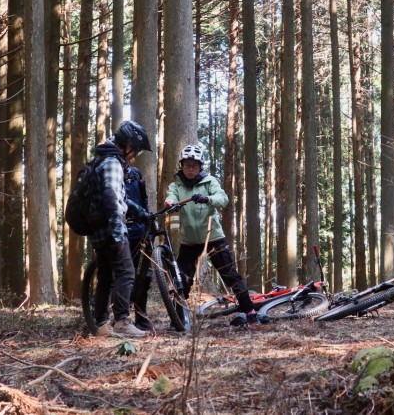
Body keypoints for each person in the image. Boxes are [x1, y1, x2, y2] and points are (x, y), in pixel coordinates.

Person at [164, 144, 268, 326]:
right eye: (187, 166)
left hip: (213, 237)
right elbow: (171, 197)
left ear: (200, 167)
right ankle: (177, 316)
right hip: (189, 241)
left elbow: (222, 199)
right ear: (182, 166)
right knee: (182, 279)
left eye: (194, 166)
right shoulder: (176, 185)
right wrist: (171, 202)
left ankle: (250, 312)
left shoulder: (210, 181)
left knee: (230, 275)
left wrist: (207, 199)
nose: (190, 169)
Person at [90, 120, 153, 337]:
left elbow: (120, 198)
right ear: (128, 144)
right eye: (135, 150)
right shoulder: (112, 163)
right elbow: (111, 198)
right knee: (126, 272)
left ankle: (101, 324)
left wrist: (139, 211)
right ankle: (122, 321)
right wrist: (118, 233)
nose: (134, 156)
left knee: (106, 277)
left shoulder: (103, 159)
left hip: (100, 230)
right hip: (112, 230)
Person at [124, 163, 154, 332]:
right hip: (120, 231)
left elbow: (144, 199)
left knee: (144, 275)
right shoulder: (109, 169)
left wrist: (147, 218)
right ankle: (118, 318)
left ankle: (141, 317)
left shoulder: (136, 172)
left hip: (140, 230)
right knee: (122, 275)